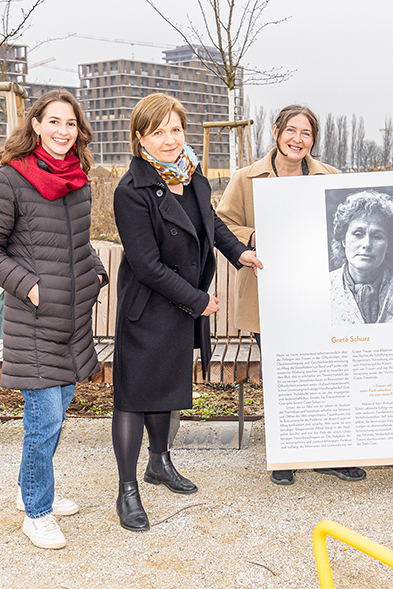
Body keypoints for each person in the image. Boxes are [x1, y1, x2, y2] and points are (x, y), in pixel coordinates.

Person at [111, 93, 262, 532]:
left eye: (175, 130)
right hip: (149, 309)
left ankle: (159, 463)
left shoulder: (192, 176)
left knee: (167, 389)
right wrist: (198, 301)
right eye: (158, 132)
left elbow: (211, 224)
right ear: (141, 137)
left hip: (179, 309)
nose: (169, 139)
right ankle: (126, 491)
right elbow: (146, 264)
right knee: (135, 398)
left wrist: (241, 253)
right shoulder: (131, 190)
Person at [0, 89, 107, 550]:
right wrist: (31, 287)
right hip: (33, 322)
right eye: (54, 122)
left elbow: (76, 243)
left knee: (58, 408)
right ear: (35, 125)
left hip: (72, 320)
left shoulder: (78, 179)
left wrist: (95, 270)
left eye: (70, 123)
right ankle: (37, 511)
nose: (63, 131)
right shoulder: (10, 180)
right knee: (43, 419)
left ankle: (28, 487)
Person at [216, 104, 367, 486]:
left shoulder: (329, 177)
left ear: (313, 141)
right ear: (276, 131)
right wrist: (254, 236)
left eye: (306, 134)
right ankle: (285, 454)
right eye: (292, 131)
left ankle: (329, 454)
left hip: (318, 295)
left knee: (324, 374)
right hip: (267, 293)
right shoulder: (247, 178)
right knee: (281, 375)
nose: (297, 139)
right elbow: (221, 223)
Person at [328, 189, 393, 325]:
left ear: (389, 245)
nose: (367, 244)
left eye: (377, 236)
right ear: (343, 239)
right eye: (358, 233)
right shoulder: (322, 290)